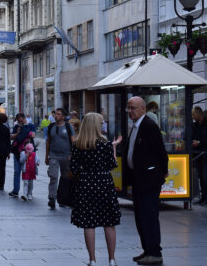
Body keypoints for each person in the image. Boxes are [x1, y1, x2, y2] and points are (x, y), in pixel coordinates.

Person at [70, 112, 122, 266]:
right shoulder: (105, 144)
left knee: (89, 223)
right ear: (96, 125)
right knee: (109, 222)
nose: (103, 125)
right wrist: (113, 147)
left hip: (86, 183)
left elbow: (73, 168)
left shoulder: (78, 144)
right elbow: (112, 164)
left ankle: (92, 260)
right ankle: (111, 259)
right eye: (101, 123)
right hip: (104, 183)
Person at [124, 97, 168, 265]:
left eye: (133, 108)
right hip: (138, 178)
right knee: (140, 217)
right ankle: (147, 250)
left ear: (142, 108)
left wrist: (162, 172)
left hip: (149, 179)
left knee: (149, 216)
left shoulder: (149, 126)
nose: (130, 111)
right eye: (128, 108)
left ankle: (155, 252)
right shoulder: (136, 126)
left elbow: (160, 152)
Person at [45, 108, 76, 209]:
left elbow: (73, 141)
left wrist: (73, 154)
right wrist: (46, 156)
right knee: (53, 176)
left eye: (58, 114)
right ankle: (52, 198)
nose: (56, 116)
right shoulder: (51, 126)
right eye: (55, 114)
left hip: (66, 156)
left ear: (63, 116)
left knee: (66, 178)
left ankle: (63, 199)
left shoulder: (68, 126)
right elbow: (48, 142)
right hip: (54, 156)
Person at [192, 106, 207, 205]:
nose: (193, 116)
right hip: (198, 154)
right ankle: (203, 197)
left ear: (199, 114)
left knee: (205, 175)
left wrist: (199, 142)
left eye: (194, 114)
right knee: (201, 176)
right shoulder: (196, 125)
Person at [9, 113, 36, 198]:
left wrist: (26, 129)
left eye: (21, 120)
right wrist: (17, 133)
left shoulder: (31, 125)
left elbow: (33, 135)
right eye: (18, 121)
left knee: (28, 172)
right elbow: (11, 137)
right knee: (17, 171)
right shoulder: (17, 127)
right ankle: (15, 190)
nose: (20, 122)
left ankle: (29, 192)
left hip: (28, 153)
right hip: (17, 152)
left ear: (24, 118)